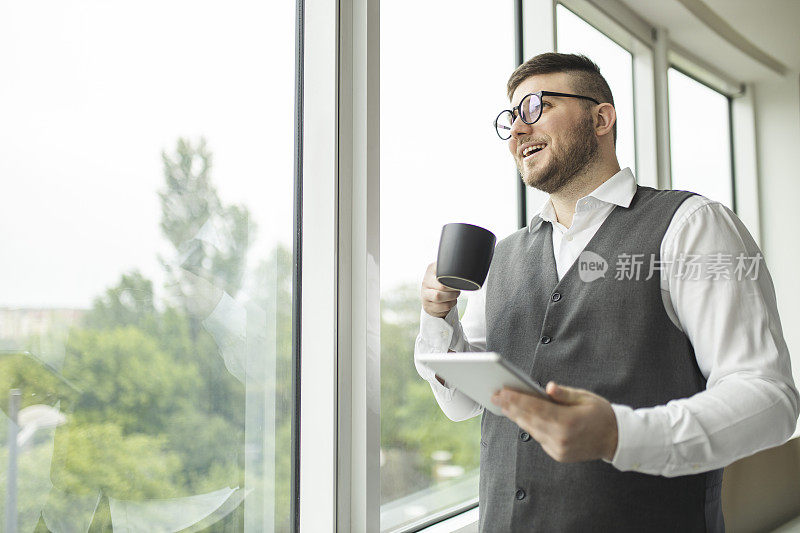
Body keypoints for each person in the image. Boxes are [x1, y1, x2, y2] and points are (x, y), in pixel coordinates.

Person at [414, 52, 799, 532]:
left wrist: (620, 435)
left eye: (536, 107)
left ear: (601, 118)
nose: (517, 130)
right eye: (511, 117)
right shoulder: (504, 256)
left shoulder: (691, 226)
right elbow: (462, 404)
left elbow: (769, 399)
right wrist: (437, 318)